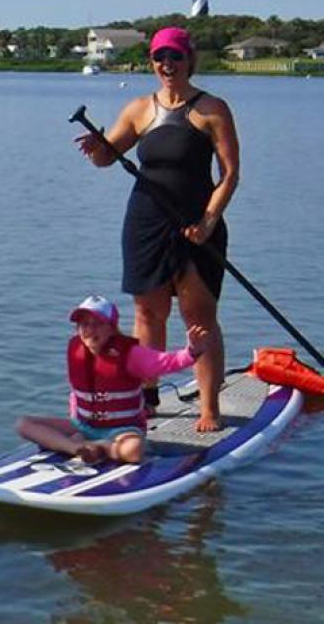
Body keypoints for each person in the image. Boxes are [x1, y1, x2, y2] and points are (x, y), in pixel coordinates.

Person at [75, 26, 239, 432]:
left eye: (175, 57)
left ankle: (209, 408)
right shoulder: (139, 109)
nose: (167, 65)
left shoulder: (212, 109)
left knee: (198, 317)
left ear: (189, 60)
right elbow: (107, 157)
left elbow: (230, 174)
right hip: (146, 222)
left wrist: (208, 220)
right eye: (159, 57)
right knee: (148, 313)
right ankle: (146, 399)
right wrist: (97, 149)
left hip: (197, 225)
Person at [17, 296, 209, 464]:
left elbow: (165, 362)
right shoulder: (76, 351)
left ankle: (100, 448)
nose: (90, 330)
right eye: (84, 324)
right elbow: (76, 394)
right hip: (83, 427)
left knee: (134, 451)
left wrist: (191, 352)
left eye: (98, 324)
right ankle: (76, 448)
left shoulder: (131, 354)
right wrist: (76, 422)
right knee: (24, 424)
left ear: (112, 328)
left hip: (121, 431)